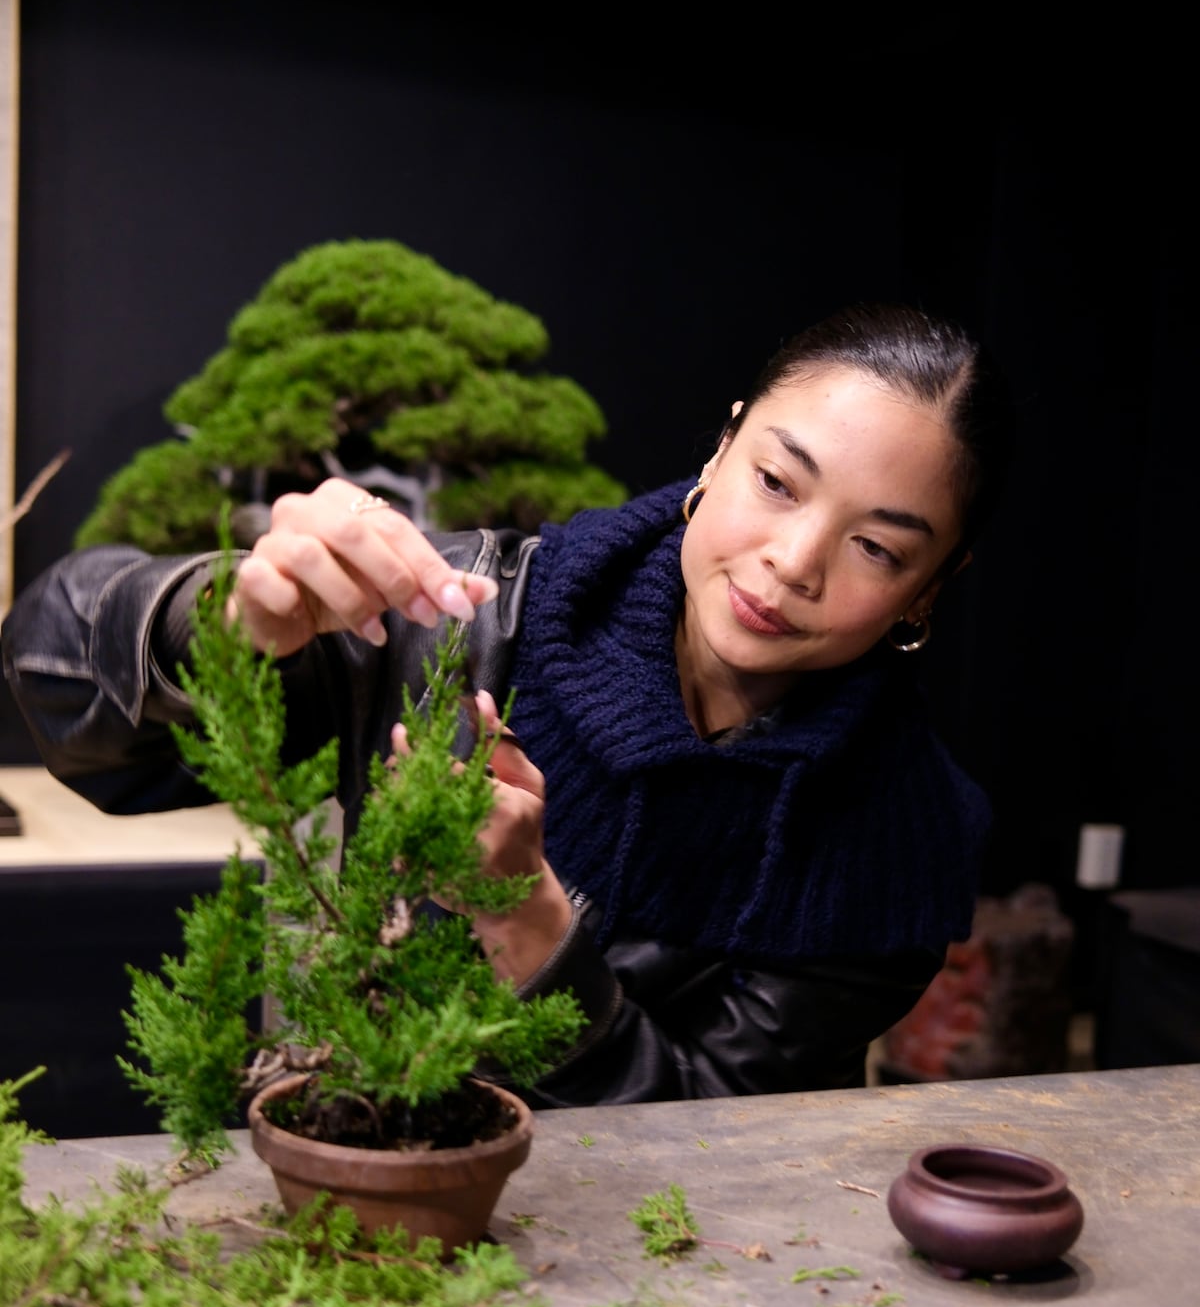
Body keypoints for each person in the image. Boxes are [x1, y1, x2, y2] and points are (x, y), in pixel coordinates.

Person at [2, 301, 1012, 1108]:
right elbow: (58, 683)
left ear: (930, 586)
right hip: (338, 1178)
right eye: (779, 483)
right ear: (721, 450)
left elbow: (725, 1148)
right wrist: (221, 622)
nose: (793, 562)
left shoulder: (898, 834)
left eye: (876, 547)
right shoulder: (459, 614)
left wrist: (529, 926)